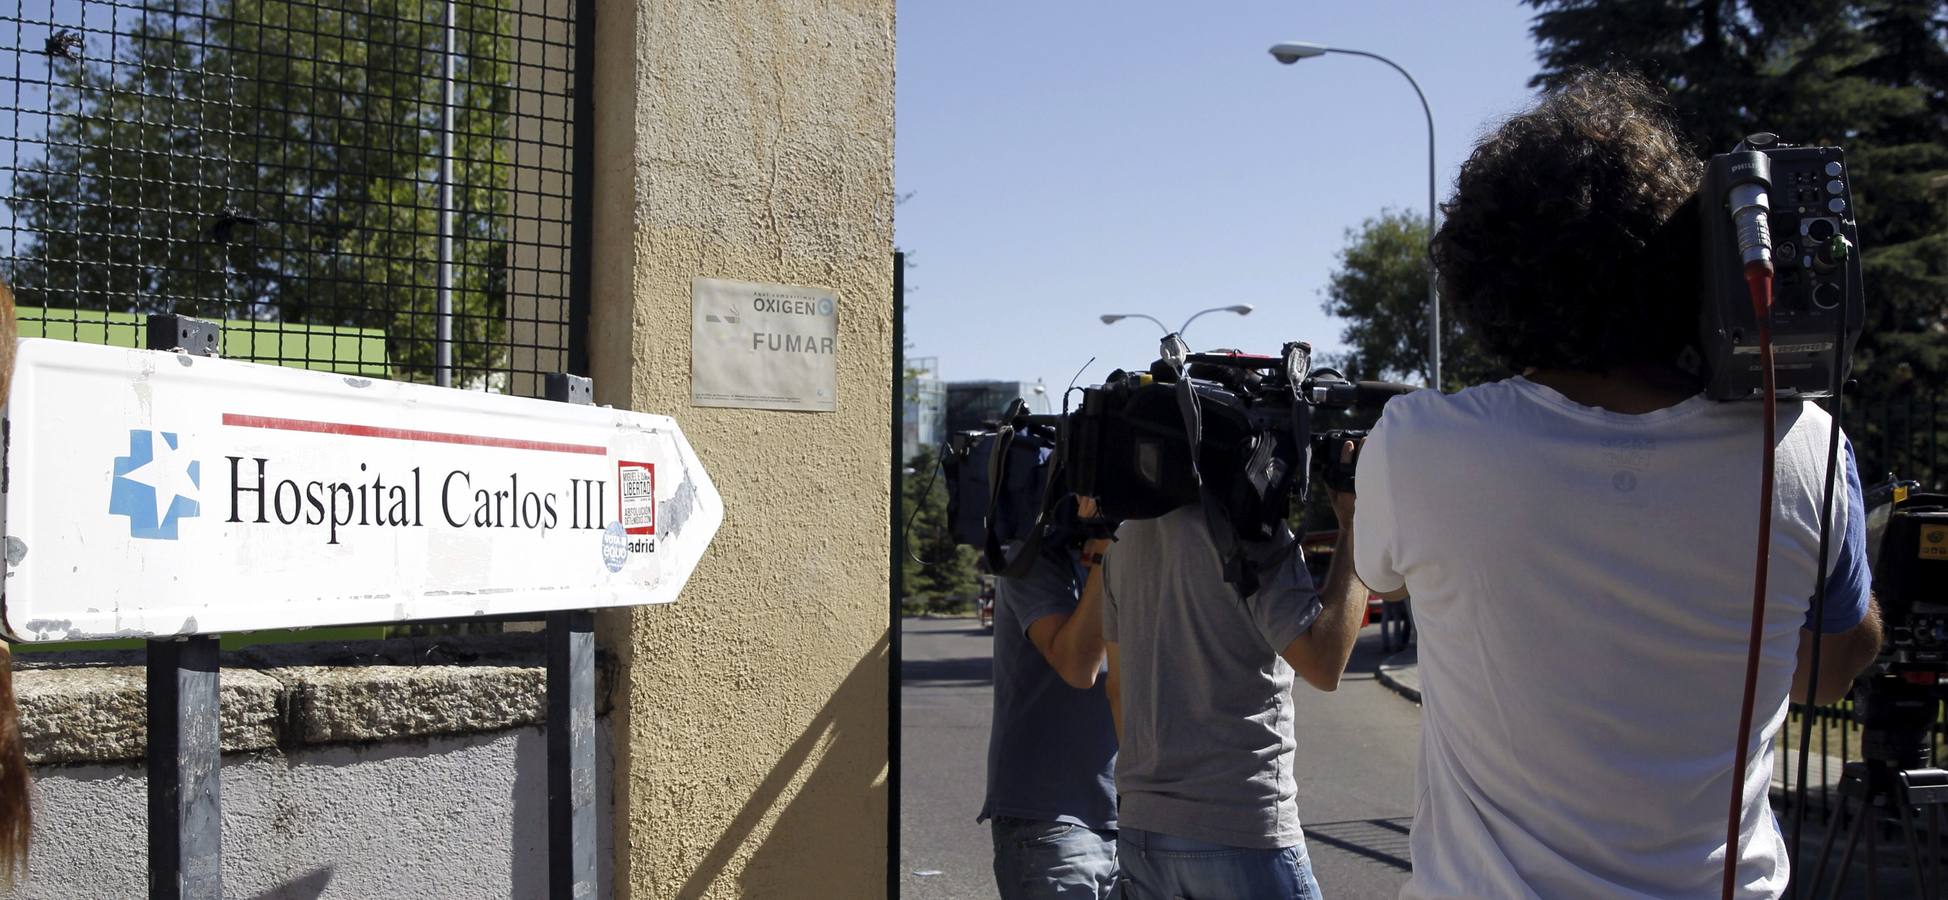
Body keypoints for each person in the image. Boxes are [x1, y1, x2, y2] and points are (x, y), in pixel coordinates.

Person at [1353, 71, 1883, 898]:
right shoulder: (1807, 444)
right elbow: (1827, 672)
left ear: (1485, 277)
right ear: (1693, 258)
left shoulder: (1421, 444)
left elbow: (1376, 577)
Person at [1096, 451, 1371, 900]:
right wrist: (1356, 527)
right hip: (1241, 827)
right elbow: (1324, 662)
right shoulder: (1250, 531)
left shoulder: (1125, 540)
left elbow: (1117, 690)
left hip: (1144, 832)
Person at [978, 501, 1119, 899]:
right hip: (1053, 821)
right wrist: (1106, 559)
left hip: (1136, 819)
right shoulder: (1029, 559)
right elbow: (1078, 667)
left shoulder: (1144, 556)